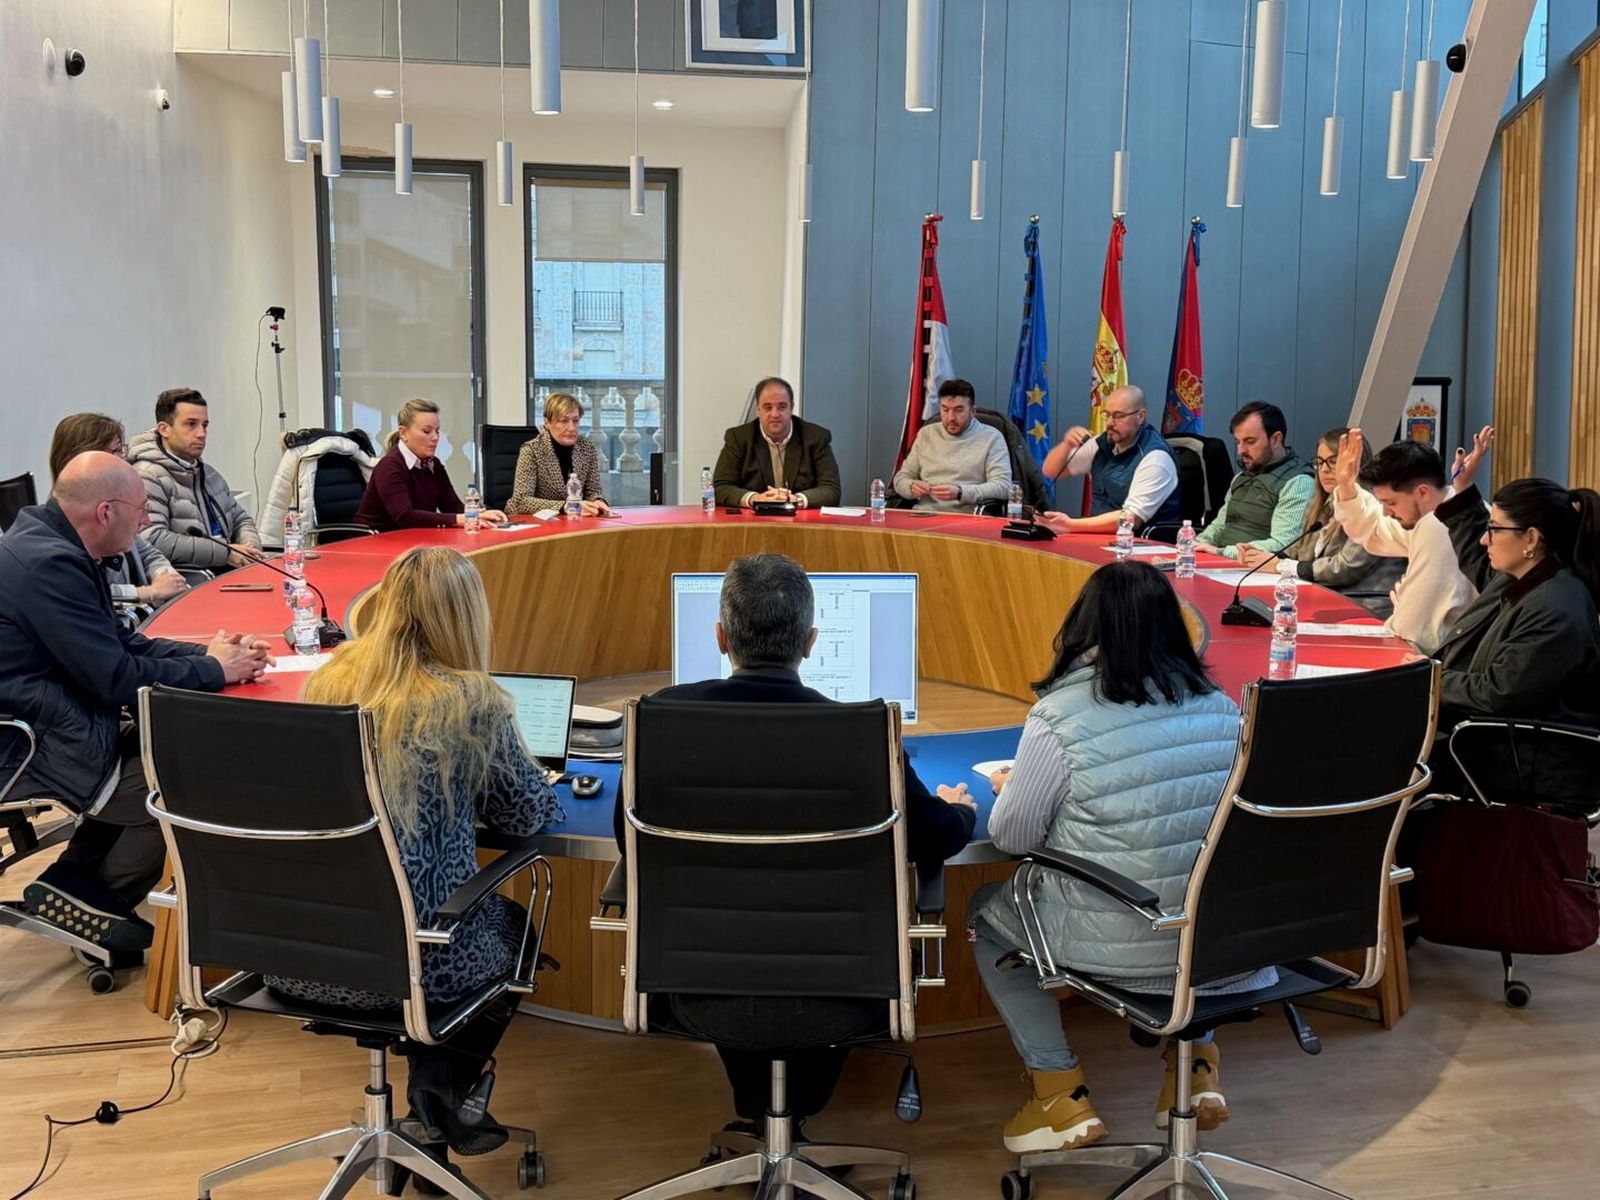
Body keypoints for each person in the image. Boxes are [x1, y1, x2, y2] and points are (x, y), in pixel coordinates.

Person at [620, 553, 976, 1132]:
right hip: (841, 988)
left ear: (719, 637)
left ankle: (766, 1119)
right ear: (811, 643)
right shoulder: (867, 738)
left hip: (698, 986)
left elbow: (629, 842)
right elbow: (932, 836)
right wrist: (959, 812)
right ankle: (788, 1119)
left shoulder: (658, 725)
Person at [275, 546, 563, 1183]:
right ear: (465, 619)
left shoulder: (328, 681)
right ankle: (438, 1092)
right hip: (417, 965)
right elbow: (526, 816)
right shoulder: (471, 700)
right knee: (513, 930)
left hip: (302, 960)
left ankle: (430, 1106)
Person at [969, 560, 1250, 1154]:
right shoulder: (1225, 710)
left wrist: (1015, 787)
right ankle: (1196, 1067)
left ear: (1083, 628)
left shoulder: (1060, 718)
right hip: (1222, 947)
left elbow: (1014, 837)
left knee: (987, 914)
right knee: (1203, 881)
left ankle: (1059, 1094)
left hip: (1118, 945)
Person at [0, 452, 272, 964]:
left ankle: (73, 883)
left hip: (55, 723)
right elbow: (118, 679)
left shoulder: (56, 546)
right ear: (106, 512)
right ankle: (96, 898)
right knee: (190, 780)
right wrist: (214, 672)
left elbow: (123, 646)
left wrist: (211, 656)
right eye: (140, 509)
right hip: (31, 747)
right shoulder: (50, 566)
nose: (147, 521)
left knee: (165, 747)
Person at [1430, 427, 1600, 732]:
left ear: (1532, 538)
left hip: (1519, 759)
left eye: (1494, 528)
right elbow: (1479, 562)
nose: (1485, 539)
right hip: (1486, 736)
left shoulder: (1554, 609)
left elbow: (1498, 693)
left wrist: (1424, 676)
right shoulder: (1526, 576)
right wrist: (1464, 488)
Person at [1317, 432, 1476, 654]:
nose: (1385, 511)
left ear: (1422, 492)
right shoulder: (1437, 509)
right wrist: (1346, 487)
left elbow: (1415, 626)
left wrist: (1399, 608)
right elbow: (1376, 528)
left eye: (1390, 502)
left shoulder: (1439, 526)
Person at [1238, 426, 1405, 619]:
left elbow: (1345, 569)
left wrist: (1280, 566)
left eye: (1333, 462)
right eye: (1319, 462)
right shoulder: (1323, 504)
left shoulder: (1370, 506)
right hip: (1324, 600)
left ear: (1354, 464)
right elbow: (1299, 551)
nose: (1324, 470)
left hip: (1364, 608)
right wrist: (1265, 557)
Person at [49, 412, 189, 619]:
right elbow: (83, 592)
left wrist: (166, 577)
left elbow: (148, 552)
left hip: (143, 619)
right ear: (86, 457)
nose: (124, 459)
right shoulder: (69, 522)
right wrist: (147, 593)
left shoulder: (118, 504)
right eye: (116, 451)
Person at [129, 387, 265, 574]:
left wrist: (251, 550)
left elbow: (241, 519)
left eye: (205, 425)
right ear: (164, 429)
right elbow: (153, 539)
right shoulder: (146, 475)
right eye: (191, 424)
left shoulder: (208, 474)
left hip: (226, 572)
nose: (201, 433)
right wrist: (225, 553)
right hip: (189, 581)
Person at [1038, 385, 1181, 534]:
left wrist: (1070, 525)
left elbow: (1130, 519)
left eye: (1118, 416)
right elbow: (1051, 471)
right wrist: (1066, 445)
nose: (1109, 423)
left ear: (1140, 416)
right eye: (1107, 415)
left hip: (1143, 546)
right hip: (1101, 539)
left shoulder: (1156, 457)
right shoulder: (1103, 443)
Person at [354, 398, 508, 531]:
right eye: (427, 431)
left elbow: (452, 506)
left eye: (438, 431)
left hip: (411, 544)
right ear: (403, 433)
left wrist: (479, 514)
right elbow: (404, 516)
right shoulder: (389, 466)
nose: (435, 438)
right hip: (373, 545)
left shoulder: (433, 465)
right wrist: (460, 519)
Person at [1194, 402, 1313, 560]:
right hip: (1223, 563)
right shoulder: (1241, 477)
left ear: (1276, 439)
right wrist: (1196, 544)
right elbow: (1220, 525)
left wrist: (1221, 552)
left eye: (1250, 441)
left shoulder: (1298, 482)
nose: (1240, 450)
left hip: (1257, 571)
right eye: (1238, 442)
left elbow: (1282, 544)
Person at [712, 377, 842, 509]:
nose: (775, 414)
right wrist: (755, 499)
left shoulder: (816, 438)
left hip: (801, 521)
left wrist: (796, 500)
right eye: (767, 407)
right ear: (758, 410)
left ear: (792, 408)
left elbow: (831, 489)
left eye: (782, 407)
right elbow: (720, 487)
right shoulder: (738, 438)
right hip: (754, 522)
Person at [891, 379, 1012, 512]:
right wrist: (910, 486)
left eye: (958, 410)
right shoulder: (926, 434)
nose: (950, 417)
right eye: (945, 410)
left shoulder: (992, 438)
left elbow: (1004, 486)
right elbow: (900, 479)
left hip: (969, 518)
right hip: (924, 514)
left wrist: (961, 493)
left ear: (973, 411)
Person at [505, 392, 613, 516]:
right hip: (534, 521)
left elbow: (593, 490)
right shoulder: (531, 450)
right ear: (547, 423)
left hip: (574, 520)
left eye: (575, 421)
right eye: (564, 421)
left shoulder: (586, 447)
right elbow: (521, 501)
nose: (572, 428)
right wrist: (564, 506)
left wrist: (598, 501)